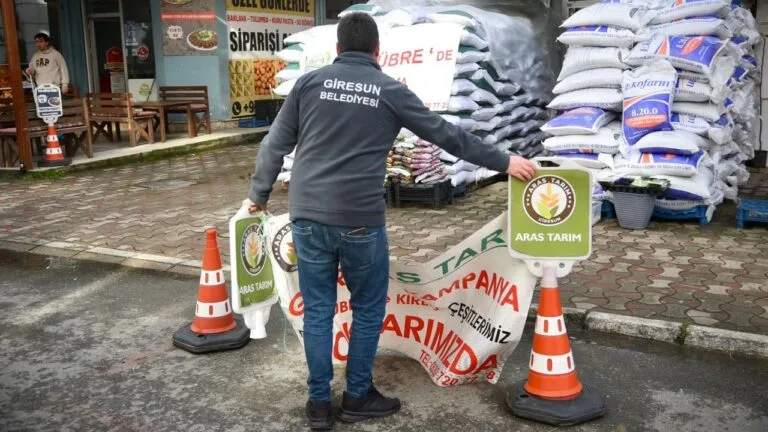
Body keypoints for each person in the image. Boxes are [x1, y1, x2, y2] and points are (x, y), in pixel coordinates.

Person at [243, 12, 536, 431]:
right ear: (378, 51)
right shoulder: (389, 90)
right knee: (366, 308)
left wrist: (258, 195)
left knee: (318, 309)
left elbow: (274, 144)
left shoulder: (308, 84)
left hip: (307, 215)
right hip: (360, 220)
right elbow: (447, 135)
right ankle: (357, 396)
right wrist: (505, 161)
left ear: (338, 49)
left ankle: (318, 404)